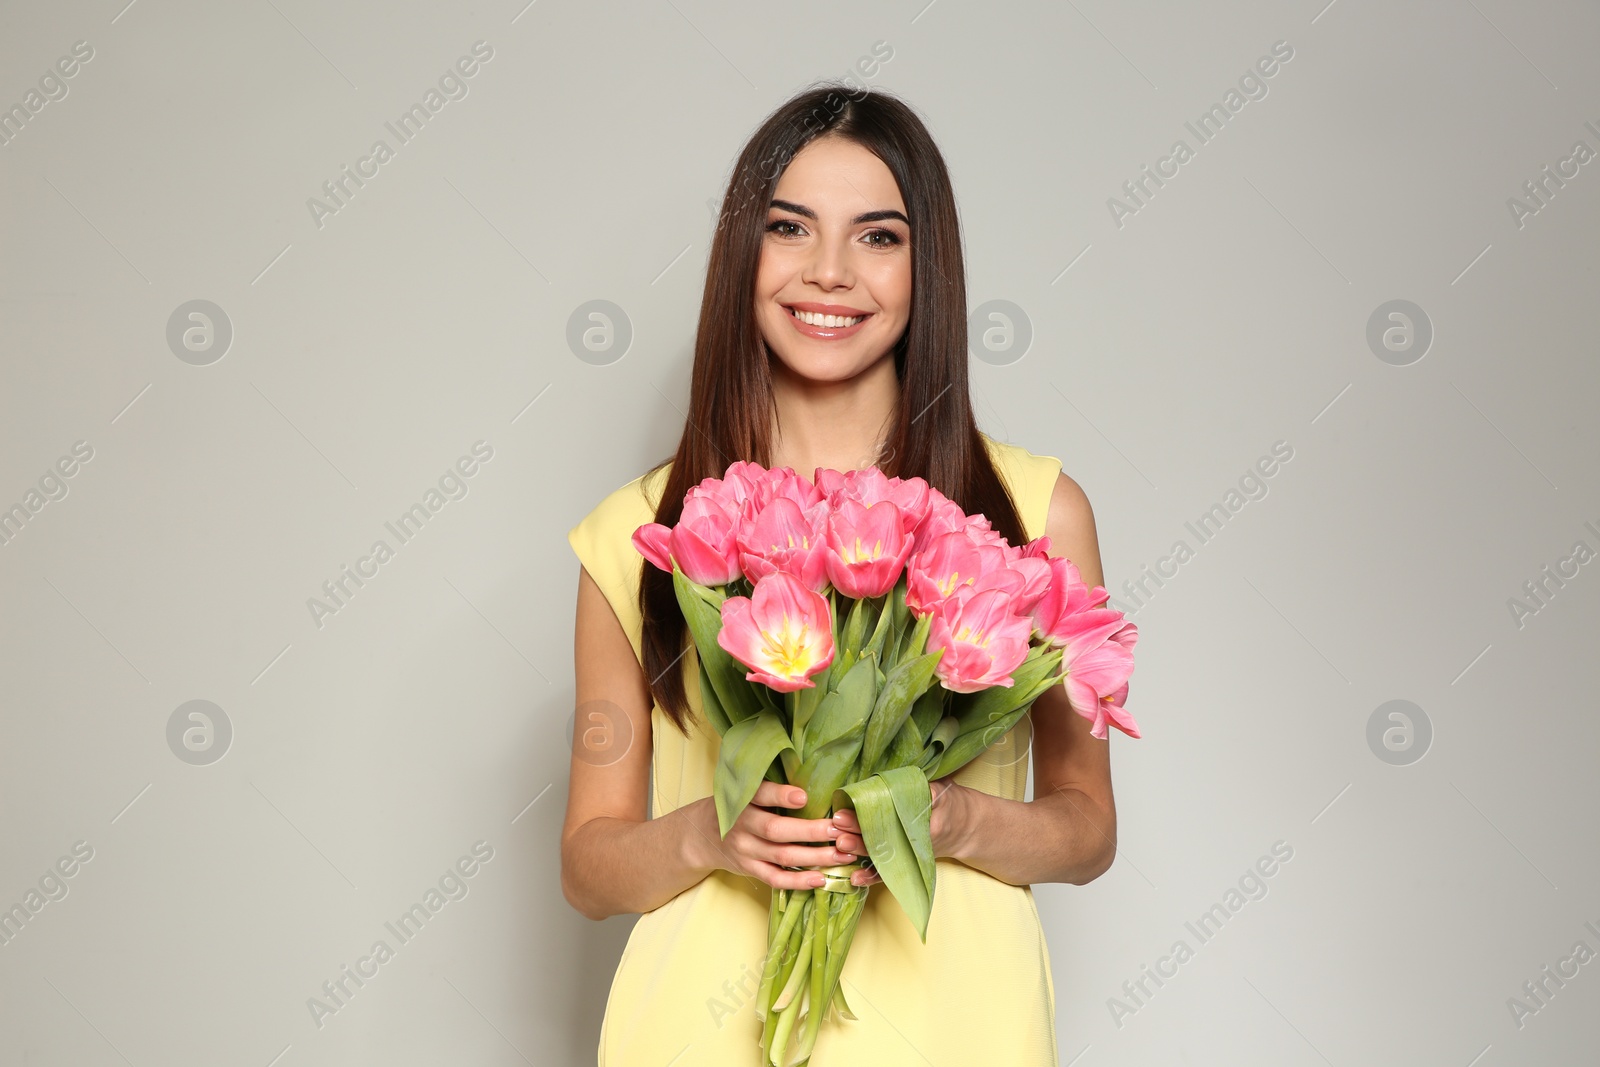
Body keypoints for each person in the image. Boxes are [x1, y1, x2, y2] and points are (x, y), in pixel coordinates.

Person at [562, 82, 1121, 1065]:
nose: (828, 272)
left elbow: (1086, 829)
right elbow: (587, 863)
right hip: (700, 1023)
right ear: (745, 253)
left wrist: (949, 818)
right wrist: (712, 834)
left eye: (877, 236)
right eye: (789, 228)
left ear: (926, 268)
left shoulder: (1034, 515)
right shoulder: (644, 532)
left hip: (958, 1023)